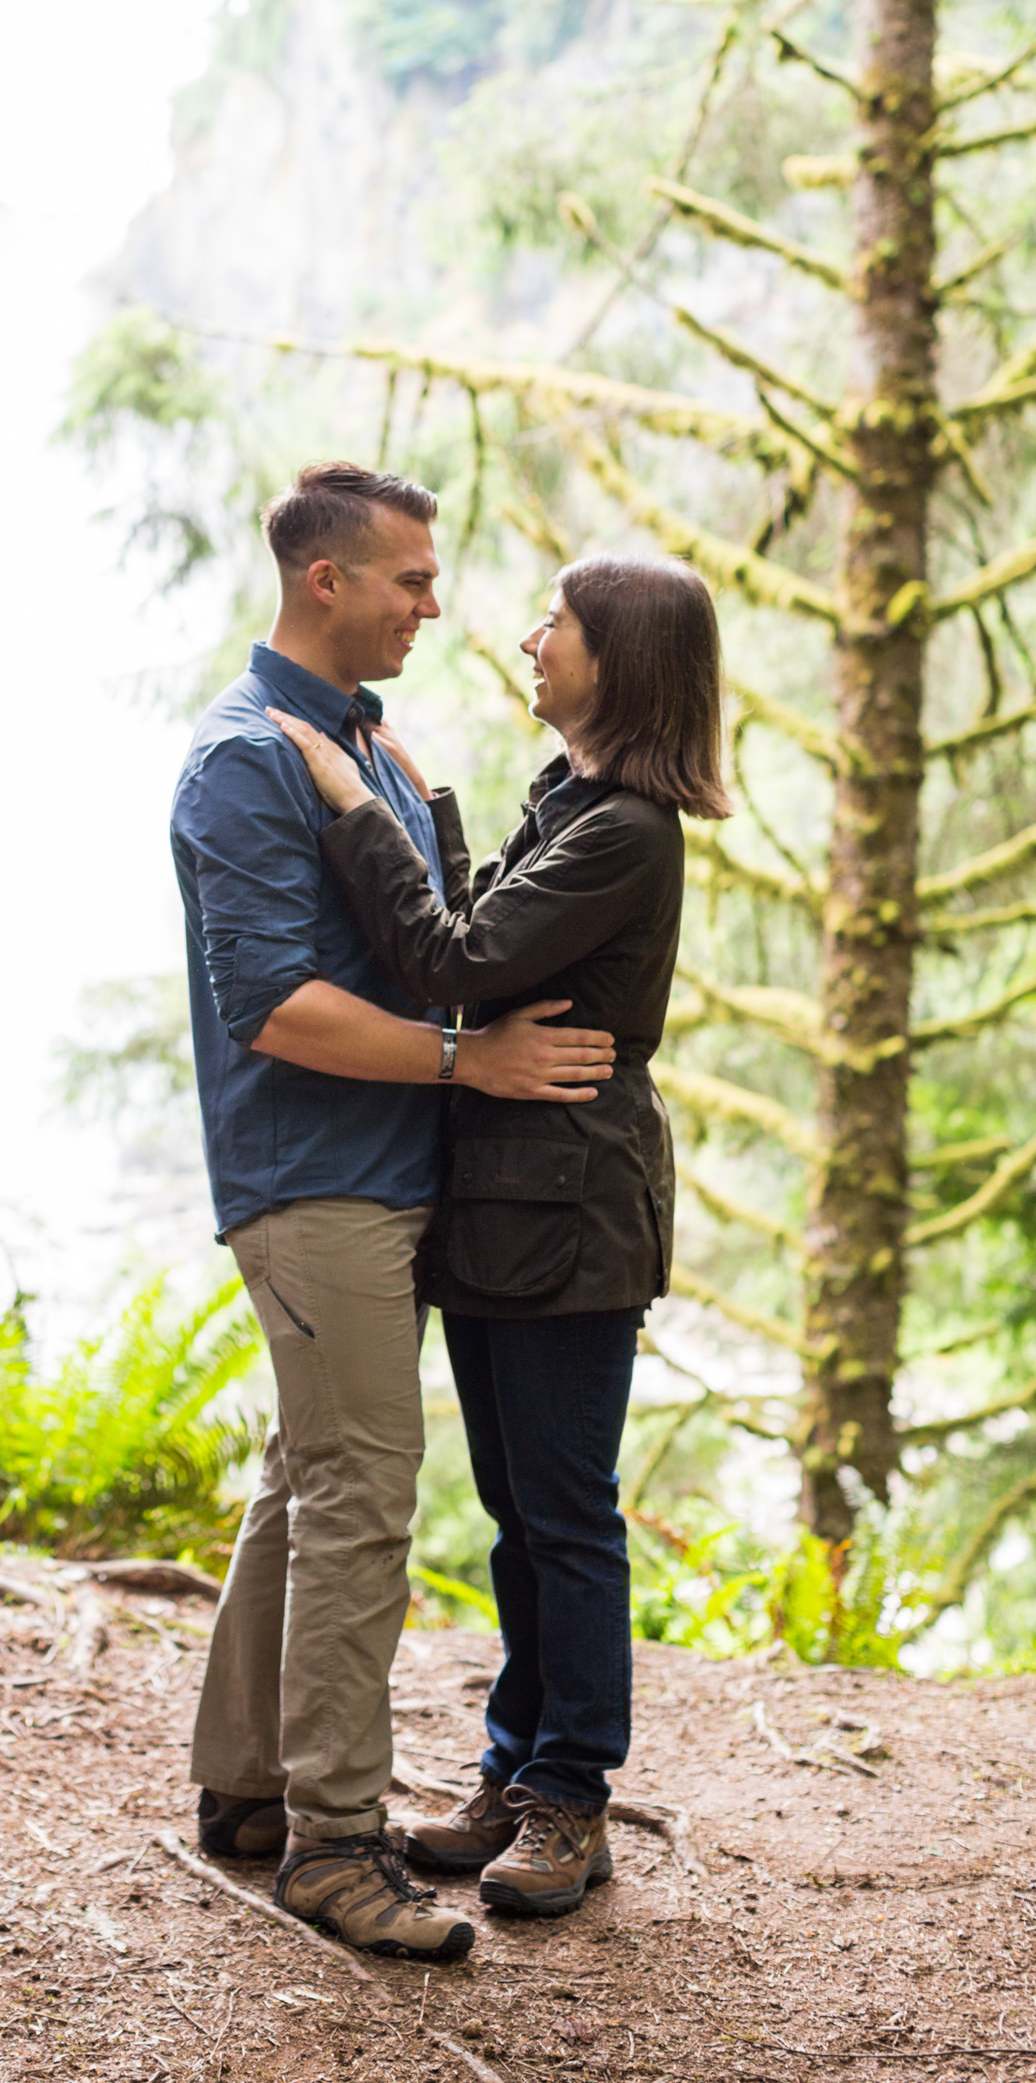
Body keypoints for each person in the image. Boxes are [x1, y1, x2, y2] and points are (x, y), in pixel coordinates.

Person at [170, 460, 616, 1965]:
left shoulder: (354, 740)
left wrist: (417, 791)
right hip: (315, 1181)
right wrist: (466, 1060)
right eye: (413, 579)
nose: (437, 605)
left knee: (309, 1475)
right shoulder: (246, 761)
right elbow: (277, 1008)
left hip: (384, 1179)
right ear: (326, 582)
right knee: (365, 1492)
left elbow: (440, 933)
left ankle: (246, 1784)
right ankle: (337, 1846)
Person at [269, 551, 729, 1919]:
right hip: (510, 1206)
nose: (532, 640)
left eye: (559, 626)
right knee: (520, 1514)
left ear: (618, 660)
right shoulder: (575, 801)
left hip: (569, 1212)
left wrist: (355, 801)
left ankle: (572, 1794)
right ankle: (513, 1770)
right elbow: (484, 934)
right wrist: (434, 799)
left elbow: (452, 963)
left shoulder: (629, 829)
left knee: (567, 1516)